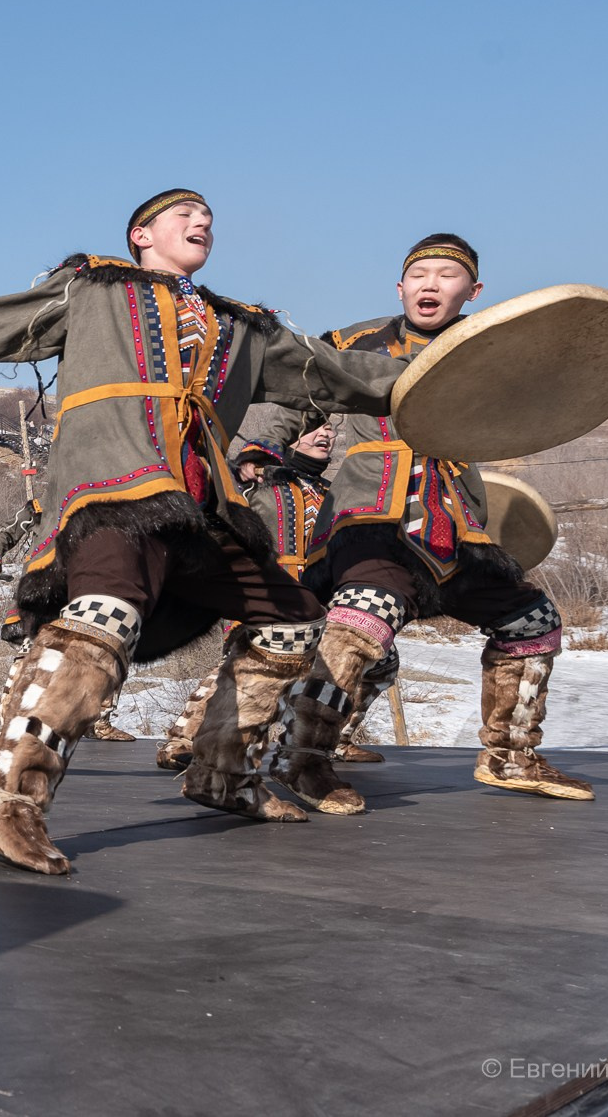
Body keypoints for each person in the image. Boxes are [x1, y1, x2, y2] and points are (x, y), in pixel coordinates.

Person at [0, 188, 407, 873]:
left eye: (209, 220)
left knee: (292, 619)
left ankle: (221, 770)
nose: (201, 223)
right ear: (140, 235)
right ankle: (9, 805)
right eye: (184, 215)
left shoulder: (245, 328)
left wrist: (437, 377)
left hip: (199, 509)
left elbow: (334, 372)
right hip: (108, 486)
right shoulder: (94, 289)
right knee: (108, 610)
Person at [249, 234, 589, 815]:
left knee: (532, 621)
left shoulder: (490, 348)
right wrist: (256, 450)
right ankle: (300, 756)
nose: (431, 285)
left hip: (455, 523)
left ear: (473, 291)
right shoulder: (352, 343)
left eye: (447, 276)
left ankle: (509, 754)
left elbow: (543, 404)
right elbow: (290, 399)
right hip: (370, 514)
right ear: (400, 285)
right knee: (365, 620)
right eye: (420, 274)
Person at [154, 416, 344, 770]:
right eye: (315, 427)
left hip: (319, 599)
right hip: (265, 590)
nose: (326, 434)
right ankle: (181, 740)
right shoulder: (261, 477)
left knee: (359, 668)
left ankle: (338, 741)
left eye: (330, 429)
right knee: (240, 665)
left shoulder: (333, 491)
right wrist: (255, 460)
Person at [0, 499, 136, 741]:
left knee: (108, 652)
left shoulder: (106, 502)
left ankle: (100, 722)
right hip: (45, 596)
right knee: (28, 666)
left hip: (89, 594)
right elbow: (8, 531)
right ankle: (10, 725)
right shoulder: (43, 506)